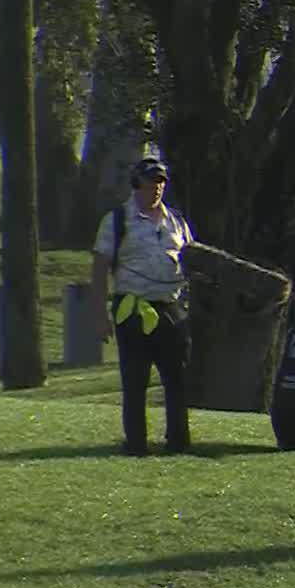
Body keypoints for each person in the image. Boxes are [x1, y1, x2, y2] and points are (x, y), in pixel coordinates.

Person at [91, 157, 197, 456]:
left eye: (161, 182)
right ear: (137, 183)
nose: (157, 187)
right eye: (151, 181)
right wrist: (100, 316)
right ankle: (136, 444)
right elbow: (99, 268)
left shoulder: (176, 220)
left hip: (171, 307)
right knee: (135, 379)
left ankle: (178, 442)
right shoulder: (117, 220)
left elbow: (192, 258)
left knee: (176, 379)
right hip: (133, 306)